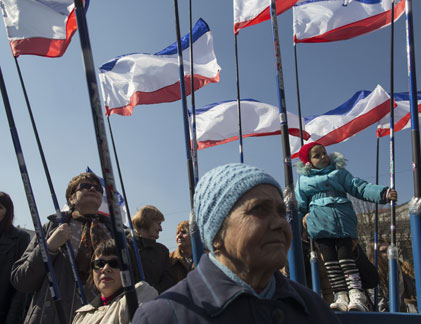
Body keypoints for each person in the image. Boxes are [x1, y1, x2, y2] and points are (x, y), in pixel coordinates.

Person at [132, 163, 341, 323]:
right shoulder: (162, 317)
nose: (280, 223)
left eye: (281, 212)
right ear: (217, 235)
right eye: (259, 209)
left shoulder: (315, 309)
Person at [295, 142, 397, 312]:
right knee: (330, 263)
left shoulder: (338, 173)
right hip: (319, 225)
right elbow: (299, 206)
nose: (323, 157)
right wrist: (294, 228)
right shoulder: (304, 181)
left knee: (346, 259)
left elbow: (358, 186)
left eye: (324, 153)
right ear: (308, 162)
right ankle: (340, 294)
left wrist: (382, 193)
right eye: (317, 155)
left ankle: (356, 293)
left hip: (342, 222)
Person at [11, 172, 113, 324]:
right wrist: (49, 246)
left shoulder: (115, 235)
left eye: (98, 189)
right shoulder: (51, 227)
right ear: (71, 198)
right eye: (85, 186)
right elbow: (21, 279)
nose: (93, 189)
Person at [72, 239, 157, 324]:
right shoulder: (81, 316)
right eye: (99, 264)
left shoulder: (140, 293)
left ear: (130, 269)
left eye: (115, 263)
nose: (105, 269)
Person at [129, 205, 175, 293]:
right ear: (147, 222)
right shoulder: (125, 247)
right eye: (159, 224)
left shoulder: (163, 250)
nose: (161, 229)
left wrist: (153, 294)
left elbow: (169, 280)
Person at [0, 192, 30, 324]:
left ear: (7, 212)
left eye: (0, 207)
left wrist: (12, 319)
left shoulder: (20, 238)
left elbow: (20, 286)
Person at [367, 239, 418, 312]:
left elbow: (415, 292)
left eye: (390, 249)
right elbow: (380, 306)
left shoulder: (405, 271)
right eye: (384, 251)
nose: (389, 253)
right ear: (374, 255)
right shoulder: (373, 278)